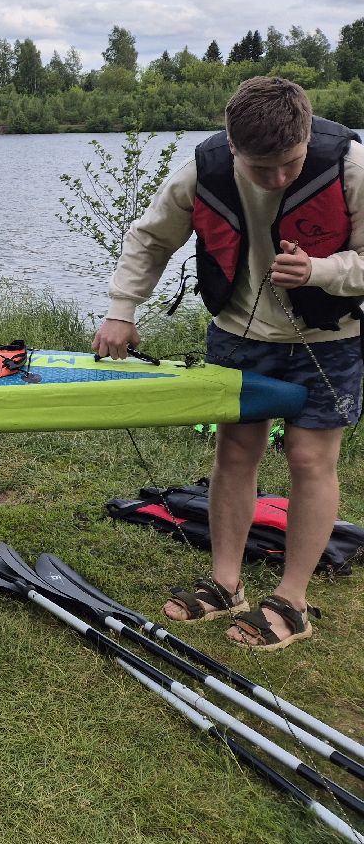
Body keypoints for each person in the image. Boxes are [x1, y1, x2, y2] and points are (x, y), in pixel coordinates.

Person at [93, 76, 364, 650]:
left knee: (310, 459)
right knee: (235, 452)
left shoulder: (350, 167)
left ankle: (291, 601)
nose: (278, 179)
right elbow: (149, 239)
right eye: (260, 168)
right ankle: (225, 584)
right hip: (239, 334)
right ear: (233, 146)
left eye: (289, 165)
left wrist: (321, 271)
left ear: (308, 135)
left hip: (330, 336)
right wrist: (122, 309)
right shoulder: (203, 170)